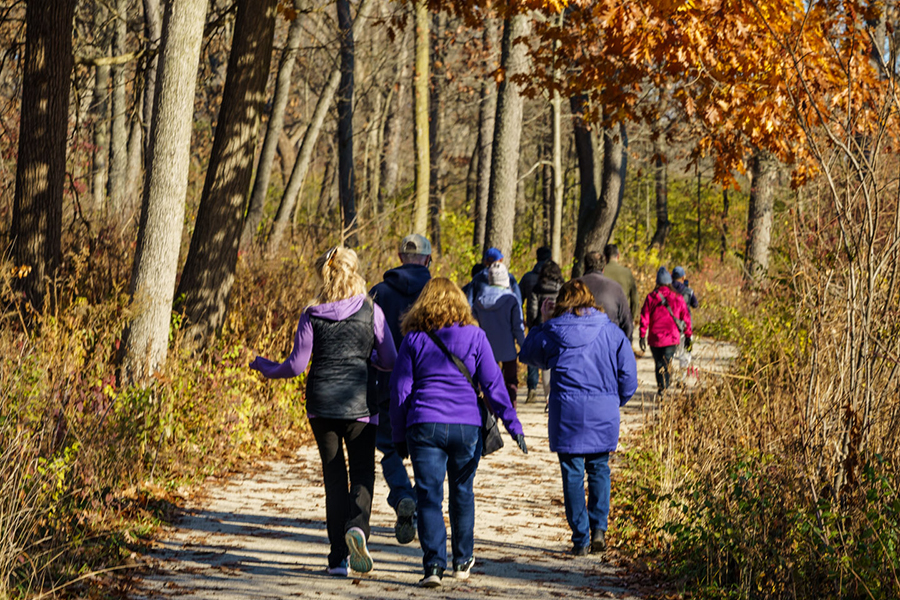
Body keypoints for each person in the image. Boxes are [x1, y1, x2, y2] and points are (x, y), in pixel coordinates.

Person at [250, 246, 397, 577]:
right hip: (361, 404)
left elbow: (297, 365)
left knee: (334, 478)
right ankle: (358, 528)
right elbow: (390, 359)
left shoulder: (312, 313)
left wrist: (265, 367)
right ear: (355, 272)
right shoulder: (371, 309)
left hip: (321, 404)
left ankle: (337, 559)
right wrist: (370, 360)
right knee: (361, 472)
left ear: (325, 274)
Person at [390, 278, 527, 587]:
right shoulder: (476, 337)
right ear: (461, 304)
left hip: (424, 425)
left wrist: (398, 435)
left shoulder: (413, 340)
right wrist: (513, 425)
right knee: (462, 492)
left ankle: (433, 567)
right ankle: (462, 560)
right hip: (467, 427)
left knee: (429, 496)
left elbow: (400, 390)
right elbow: (494, 386)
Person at [519, 280, 638, 556]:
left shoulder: (553, 331)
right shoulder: (612, 332)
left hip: (568, 415)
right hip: (603, 412)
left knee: (572, 473)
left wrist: (543, 321)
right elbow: (629, 379)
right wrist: (613, 401)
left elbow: (528, 353)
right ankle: (599, 530)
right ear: (591, 300)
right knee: (599, 468)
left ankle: (581, 538)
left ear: (562, 302)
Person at [368, 234, 432, 545]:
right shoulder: (438, 293)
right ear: (428, 259)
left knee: (389, 447)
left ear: (399, 256)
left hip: (386, 383)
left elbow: (366, 339)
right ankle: (416, 503)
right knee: (425, 452)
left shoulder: (378, 292)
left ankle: (402, 495)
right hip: (429, 386)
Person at [472, 262, 525, 409]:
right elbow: (518, 327)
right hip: (508, 349)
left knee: (488, 383)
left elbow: (474, 327)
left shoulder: (478, 301)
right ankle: (510, 412)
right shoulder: (512, 299)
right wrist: (524, 347)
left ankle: (491, 417)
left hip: (486, 350)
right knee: (511, 382)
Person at [638, 267, 693, 394]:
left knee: (658, 364)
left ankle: (662, 387)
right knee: (667, 362)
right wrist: (688, 335)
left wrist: (642, 335)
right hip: (671, 338)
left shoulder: (651, 297)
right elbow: (686, 317)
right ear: (669, 282)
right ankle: (665, 387)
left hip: (655, 338)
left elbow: (644, 317)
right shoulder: (677, 298)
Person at [525, 260, 564, 407]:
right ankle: (557, 392)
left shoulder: (537, 288)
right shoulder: (562, 287)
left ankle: (548, 396)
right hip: (560, 328)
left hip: (543, 327)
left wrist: (533, 326)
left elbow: (532, 310)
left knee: (545, 363)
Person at [519, 246, 552, 402]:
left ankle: (532, 389)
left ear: (537, 258)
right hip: (551, 322)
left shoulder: (528, 277)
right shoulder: (555, 278)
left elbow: (518, 298)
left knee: (533, 354)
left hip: (533, 321)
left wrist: (523, 319)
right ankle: (550, 391)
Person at [578, 251, 634, 341]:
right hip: (609, 342)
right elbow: (627, 322)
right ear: (603, 268)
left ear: (584, 267)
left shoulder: (573, 287)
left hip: (579, 345)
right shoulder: (615, 288)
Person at [603, 244, 640, 326]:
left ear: (604, 257)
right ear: (618, 256)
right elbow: (635, 299)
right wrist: (631, 318)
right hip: (622, 318)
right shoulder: (627, 273)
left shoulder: (601, 272)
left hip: (604, 318)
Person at [670, 266, 699, 371]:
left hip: (671, 325)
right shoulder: (688, 291)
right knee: (685, 353)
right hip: (686, 326)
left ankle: (668, 376)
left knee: (670, 353)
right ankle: (681, 379)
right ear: (683, 278)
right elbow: (695, 304)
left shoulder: (667, 289)